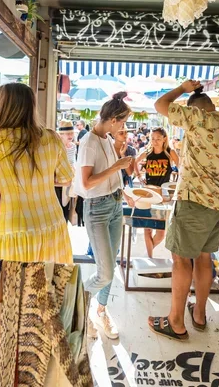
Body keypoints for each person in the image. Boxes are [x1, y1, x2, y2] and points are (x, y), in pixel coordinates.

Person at [148, 81, 219, 341]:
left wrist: (183, 88)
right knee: (204, 258)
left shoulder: (197, 120)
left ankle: (175, 321)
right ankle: (199, 314)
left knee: (180, 259)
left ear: (195, 111)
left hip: (193, 201)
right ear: (212, 106)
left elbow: (160, 105)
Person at [0, 83, 74, 263]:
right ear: (31, 107)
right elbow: (66, 178)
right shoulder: (50, 136)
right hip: (52, 225)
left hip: (15, 228)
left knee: (16, 287)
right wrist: (40, 178)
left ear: (0, 108)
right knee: (49, 286)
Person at [73, 92, 134, 339]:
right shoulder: (88, 142)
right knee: (105, 271)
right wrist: (116, 167)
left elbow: (109, 177)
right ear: (112, 120)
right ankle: (76, 305)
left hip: (115, 204)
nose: (123, 127)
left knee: (112, 263)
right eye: (122, 122)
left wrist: (123, 190)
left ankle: (101, 310)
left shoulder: (106, 139)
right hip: (96, 208)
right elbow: (85, 183)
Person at [135, 127, 180, 257]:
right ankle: (150, 258)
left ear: (164, 139)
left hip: (162, 194)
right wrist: (139, 176)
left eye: (158, 139)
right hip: (148, 192)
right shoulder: (148, 152)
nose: (155, 141)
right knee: (147, 228)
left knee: (161, 232)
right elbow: (135, 161)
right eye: (153, 139)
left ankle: (147, 255)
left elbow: (181, 167)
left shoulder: (169, 153)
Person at [55, 119, 77, 223]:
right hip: (58, 182)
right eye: (67, 133)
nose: (70, 135)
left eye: (72, 133)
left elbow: (73, 162)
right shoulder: (56, 146)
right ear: (61, 135)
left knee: (67, 210)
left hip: (69, 181)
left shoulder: (73, 146)